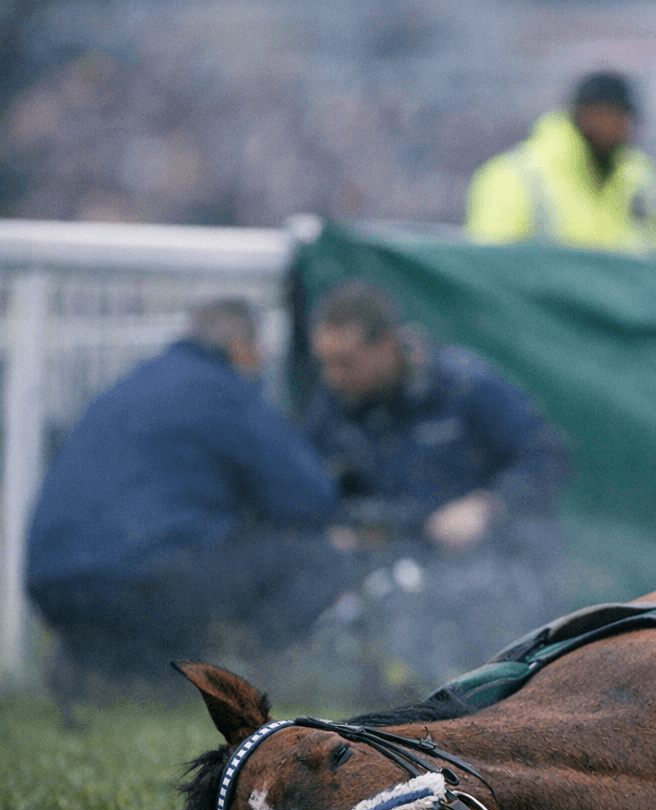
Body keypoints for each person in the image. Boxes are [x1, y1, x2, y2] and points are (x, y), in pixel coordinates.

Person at [27, 298, 360, 702]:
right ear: (241, 347)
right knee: (316, 559)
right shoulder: (224, 390)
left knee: (176, 563)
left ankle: (100, 666)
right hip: (140, 582)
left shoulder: (130, 383)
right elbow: (308, 499)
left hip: (51, 585)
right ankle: (247, 679)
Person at [302, 280, 569, 679]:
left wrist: (485, 507)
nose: (333, 376)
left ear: (387, 345)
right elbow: (307, 484)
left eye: (346, 362)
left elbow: (547, 454)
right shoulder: (333, 405)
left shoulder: (466, 386)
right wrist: (335, 527)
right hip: (383, 559)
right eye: (326, 363)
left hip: (481, 561)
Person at [463, 71, 656, 253]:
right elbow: (490, 271)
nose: (616, 127)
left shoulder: (641, 182)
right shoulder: (515, 177)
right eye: (606, 115)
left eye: (623, 118)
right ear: (580, 114)